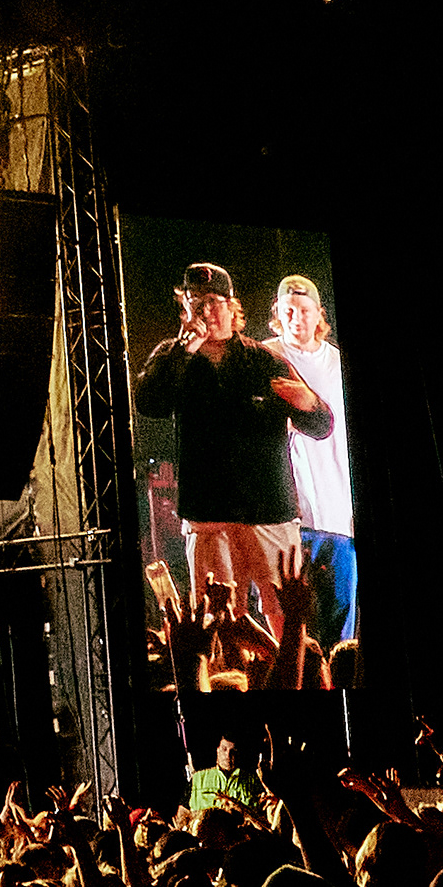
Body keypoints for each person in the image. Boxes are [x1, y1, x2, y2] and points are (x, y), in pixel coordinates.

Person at [132, 263, 335, 689]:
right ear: (184, 308)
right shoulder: (174, 359)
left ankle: (300, 683)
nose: (206, 312)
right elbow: (148, 403)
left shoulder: (262, 360)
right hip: (209, 514)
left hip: (269, 511)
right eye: (196, 303)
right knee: (217, 616)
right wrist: (183, 351)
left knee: (283, 609)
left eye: (214, 302)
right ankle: (227, 688)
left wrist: (308, 402)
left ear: (231, 306)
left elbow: (322, 425)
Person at [263, 273, 356, 667]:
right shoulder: (264, 357)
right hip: (287, 517)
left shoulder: (338, 363)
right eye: (288, 310)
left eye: (304, 310)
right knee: (293, 625)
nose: (296, 318)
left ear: (319, 314)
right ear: (277, 314)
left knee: (340, 622)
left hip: (339, 516)